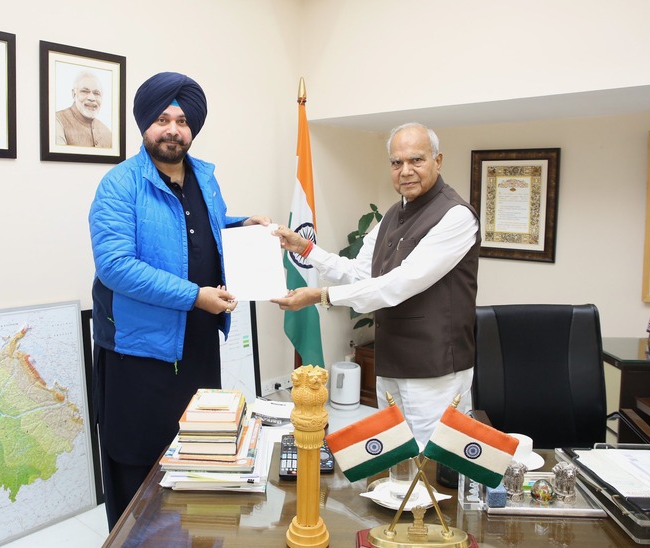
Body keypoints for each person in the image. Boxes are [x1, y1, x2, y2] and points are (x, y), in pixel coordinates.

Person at [88, 71, 270, 530]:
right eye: (163, 119)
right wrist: (195, 296)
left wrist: (241, 224)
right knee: (138, 458)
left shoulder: (204, 176)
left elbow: (200, 228)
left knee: (198, 448)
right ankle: (137, 538)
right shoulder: (120, 184)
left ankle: (195, 536)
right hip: (138, 349)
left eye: (183, 120)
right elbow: (116, 265)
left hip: (198, 342)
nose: (173, 129)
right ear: (145, 124)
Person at [272, 122, 480, 448]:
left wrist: (321, 295)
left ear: (438, 161)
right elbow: (358, 272)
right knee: (395, 461)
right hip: (392, 363)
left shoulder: (455, 217)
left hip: (433, 371)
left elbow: (397, 285)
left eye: (416, 160)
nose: (406, 171)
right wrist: (306, 249)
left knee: (433, 468)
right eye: (397, 163)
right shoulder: (392, 216)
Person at [55, 71, 112, 147]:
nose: (92, 98)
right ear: (74, 94)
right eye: (85, 91)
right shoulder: (57, 121)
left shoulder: (107, 132)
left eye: (96, 93)